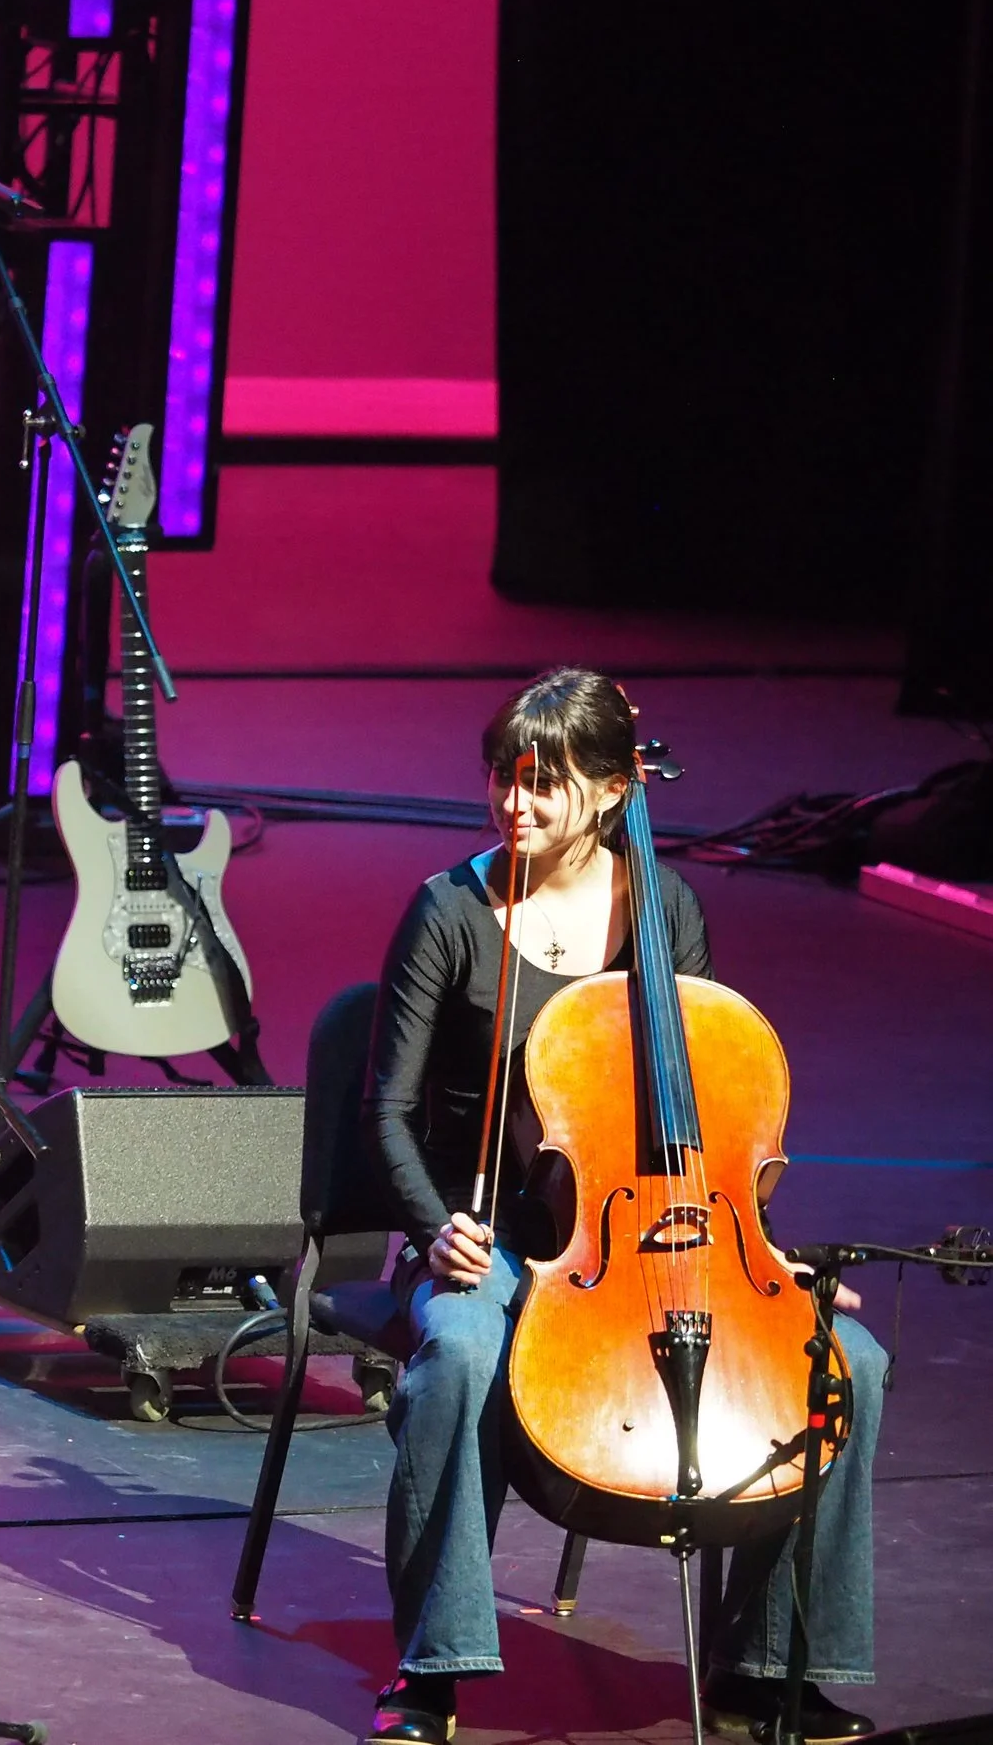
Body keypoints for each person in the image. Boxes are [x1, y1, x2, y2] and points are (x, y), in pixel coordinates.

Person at [361, 667, 885, 1745]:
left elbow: (707, 1124)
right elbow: (387, 1113)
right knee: (457, 1361)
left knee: (848, 1370)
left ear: (610, 792)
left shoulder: (666, 909)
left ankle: (767, 1662)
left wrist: (768, 1272)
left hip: (655, 1233)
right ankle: (433, 1665)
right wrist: (434, 1228)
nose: (516, 804)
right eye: (505, 780)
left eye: (545, 785)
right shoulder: (451, 912)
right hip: (491, 1233)